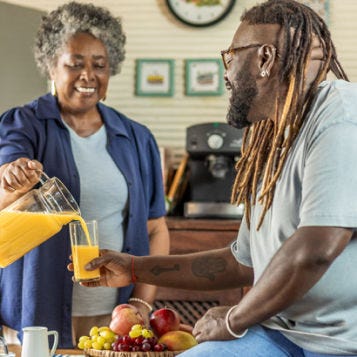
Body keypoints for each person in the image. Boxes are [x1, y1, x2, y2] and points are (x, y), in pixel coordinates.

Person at [79, 0, 357, 355]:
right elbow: (241, 262)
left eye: (231, 56)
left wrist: (234, 319)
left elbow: (316, 248)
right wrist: (134, 267)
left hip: (340, 345)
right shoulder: (271, 140)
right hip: (279, 334)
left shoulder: (341, 117)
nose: (226, 72)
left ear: (265, 59)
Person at [0, 1, 169, 348]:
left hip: (114, 319)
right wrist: (13, 174)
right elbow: (8, 174)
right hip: (34, 317)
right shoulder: (24, 124)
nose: (88, 75)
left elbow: (156, 228)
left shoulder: (138, 138)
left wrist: (140, 302)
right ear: (51, 66)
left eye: (100, 65)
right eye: (75, 64)